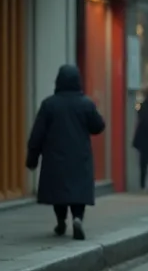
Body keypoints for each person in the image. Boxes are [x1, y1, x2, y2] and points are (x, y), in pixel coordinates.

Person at [26, 65, 106, 241]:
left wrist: (32, 158)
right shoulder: (86, 104)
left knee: (59, 192)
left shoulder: (49, 104)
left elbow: (37, 134)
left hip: (56, 157)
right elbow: (98, 126)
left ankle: (61, 221)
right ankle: (77, 218)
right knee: (78, 192)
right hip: (80, 157)